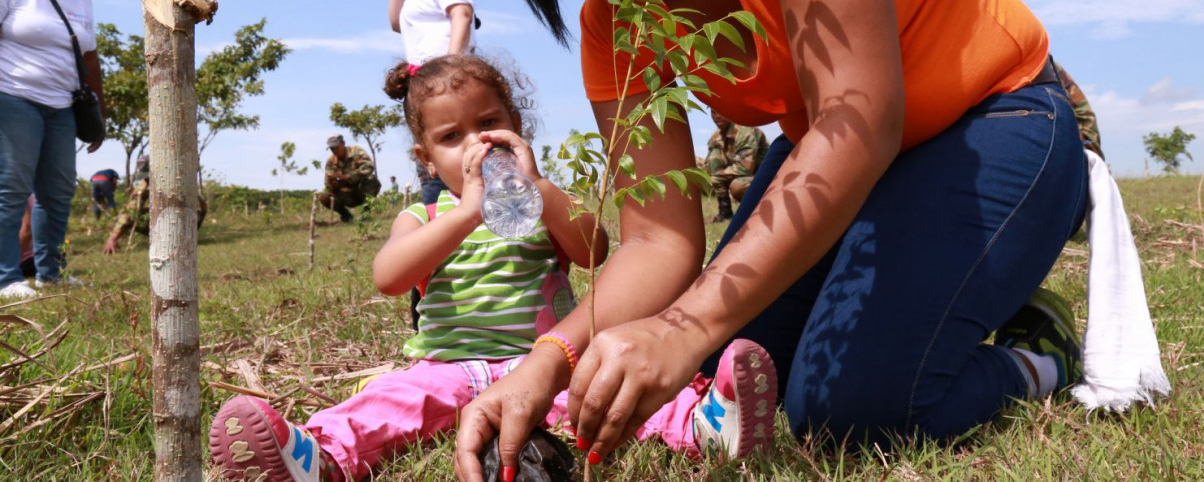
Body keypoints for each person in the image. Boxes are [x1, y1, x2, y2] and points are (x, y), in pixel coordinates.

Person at [437, 0, 1093, 477]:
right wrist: (546, 361)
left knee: (853, 408)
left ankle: (1039, 353)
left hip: (996, 119)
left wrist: (681, 326)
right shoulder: (614, 23)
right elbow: (658, 241)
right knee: (721, 362)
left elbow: (858, 119)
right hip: (855, 169)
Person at [208, 55, 779, 481]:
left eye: (488, 123)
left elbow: (595, 249)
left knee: (603, 389)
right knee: (388, 402)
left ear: (515, 129)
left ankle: (705, 424)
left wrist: (541, 190)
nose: (475, 143)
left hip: (542, 365)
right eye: (451, 137)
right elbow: (389, 276)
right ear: (427, 159)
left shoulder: (536, 203)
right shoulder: (426, 214)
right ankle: (318, 456)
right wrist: (464, 214)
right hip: (447, 367)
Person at [1, 0, 106, 299]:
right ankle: (6, 278)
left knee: (58, 190)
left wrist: (100, 111)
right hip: (12, 97)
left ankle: (51, 273)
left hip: (62, 105)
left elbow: (89, 57)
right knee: (11, 187)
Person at [390, 0, 479, 210]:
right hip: (425, 84)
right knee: (431, 160)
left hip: (443, 83)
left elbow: (462, 16)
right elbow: (396, 23)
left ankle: (449, 225)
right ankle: (441, 222)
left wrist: (450, 69)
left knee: (444, 157)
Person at [102, 153, 208, 254]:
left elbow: (199, 209)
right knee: (126, 214)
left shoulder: (178, 179)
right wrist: (113, 238)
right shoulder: (146, 184)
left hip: (186, 220)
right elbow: (129, 212)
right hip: (166, 219)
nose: (146, 179)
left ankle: (178, 237)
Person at [704, 109, 769, 224]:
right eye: (713, 112)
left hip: (767, 177)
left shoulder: (745, 131)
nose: (717, 116)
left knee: (737, 186)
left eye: (720, 111)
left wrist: (716, 177)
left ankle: (761, 212)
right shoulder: (715, 138)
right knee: (714, 158)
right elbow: (707, 166)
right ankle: (725, 213)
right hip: (745, 176)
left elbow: (744, 168)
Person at [316, 135, 381, 223]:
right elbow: (327, 183)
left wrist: (350, 176)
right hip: (344, 195)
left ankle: (366, 213)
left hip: (361, 191)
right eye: (332, 149)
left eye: (336, 147)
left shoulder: (357, 151)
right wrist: (333, 184)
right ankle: (346, 215)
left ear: (343, 144)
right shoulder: (331, 162)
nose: (334, 151)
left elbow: (369, 167)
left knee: (372, 180)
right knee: (323, 196)